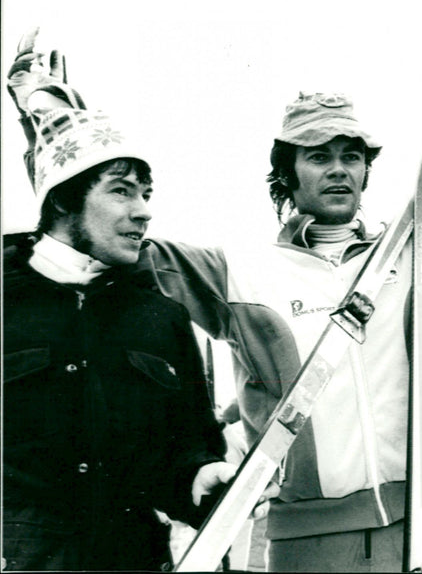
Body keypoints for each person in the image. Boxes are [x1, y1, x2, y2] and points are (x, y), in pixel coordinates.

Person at [8, 0, 422, 571]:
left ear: (368, 168)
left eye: (351, 154)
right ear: (286, 174)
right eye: (318, 155)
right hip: (306, 538)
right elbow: (92, 238)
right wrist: (55, 125)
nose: (339, 168)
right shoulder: (236, 272)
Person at [1, 60, 247, 570]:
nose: (143, 210)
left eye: (146, 193)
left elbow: (188, 451)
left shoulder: (162, 319)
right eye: (121, 190)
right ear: (65, 198)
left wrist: (199, 479)